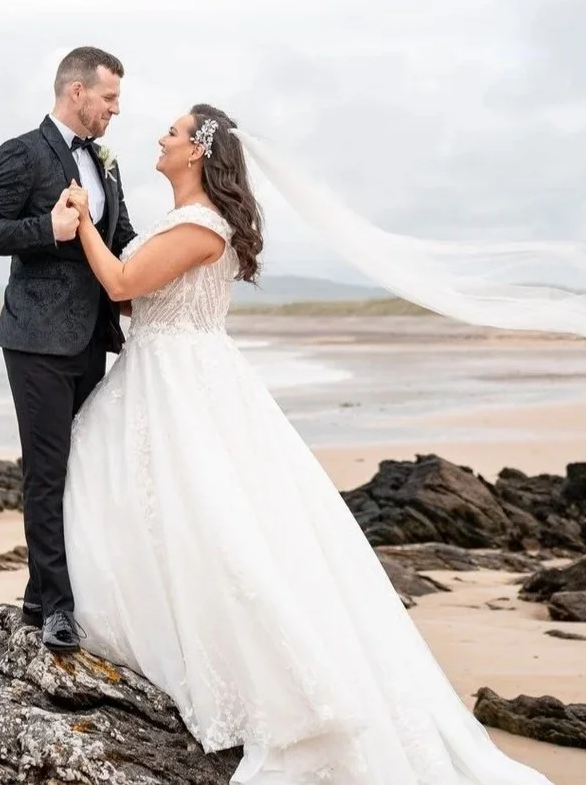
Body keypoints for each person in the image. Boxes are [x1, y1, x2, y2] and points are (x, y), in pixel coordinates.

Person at [58, 103, 557, 784]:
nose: (160, 136)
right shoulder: (188, 223)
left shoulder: (201, 225)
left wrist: (82, 219)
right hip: (165, 374)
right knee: (163, 506)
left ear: (199, 151)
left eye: (173, 131)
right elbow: (133, 296)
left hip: (182, 384)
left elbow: (118, 282)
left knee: (211, 523)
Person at [0, 46, 135, 654]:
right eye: (110, 98)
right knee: (47, 473)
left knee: (87, 469)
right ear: (78, 92)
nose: (117, 109)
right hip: (36, 341)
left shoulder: (108, 165)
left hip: (94, 338)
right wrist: (48, 229)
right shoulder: (22, 151)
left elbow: (125, 239)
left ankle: (43, 591)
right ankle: (57, 610)